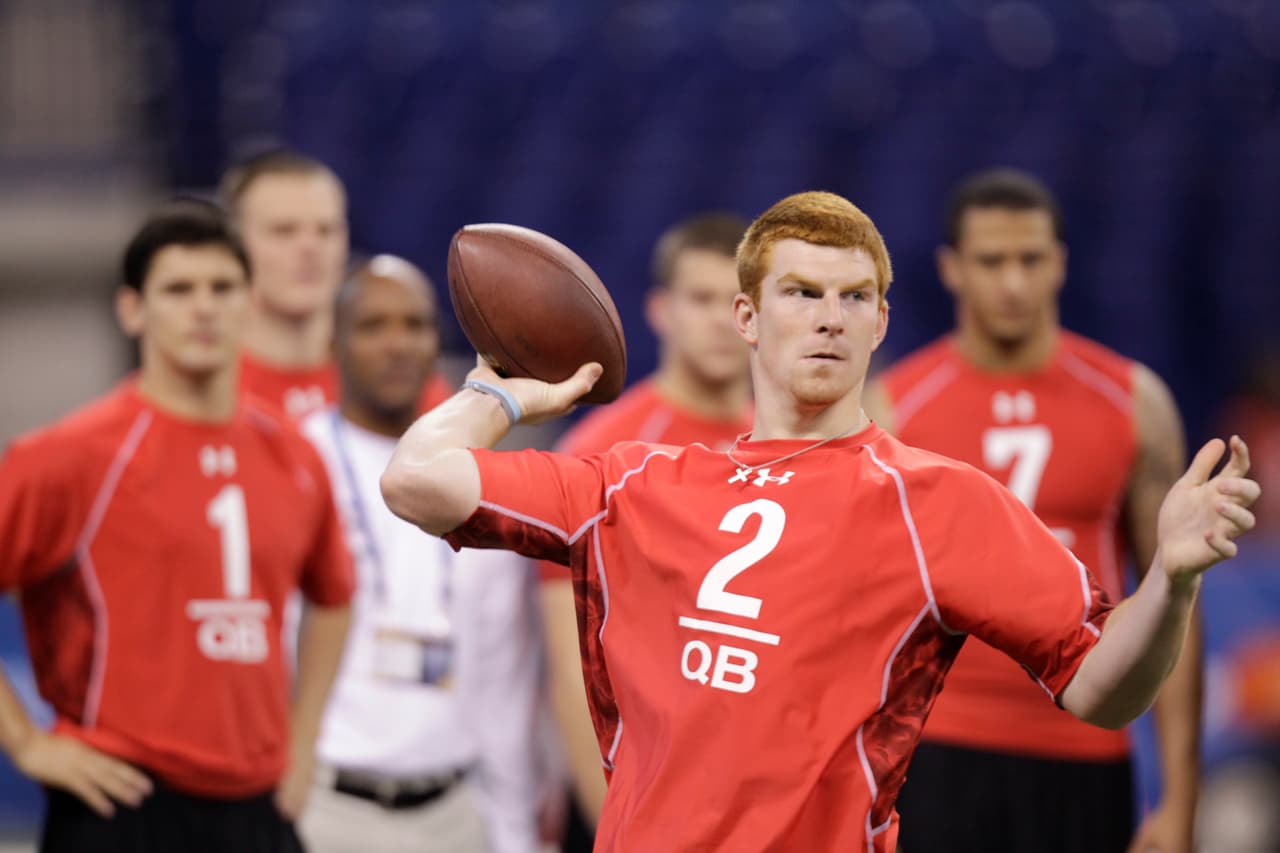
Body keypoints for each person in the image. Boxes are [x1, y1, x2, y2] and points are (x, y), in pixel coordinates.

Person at [379, 190, 1259, 851]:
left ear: (882, 321)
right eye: (801, 292)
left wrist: (1171, 580)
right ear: (748, 319)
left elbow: (1107, 689)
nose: (829, 318)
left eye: (853, 297)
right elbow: (415, 478)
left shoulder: (938, 502)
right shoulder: (635, 482)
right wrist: (502, 392)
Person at [863, 168, 1203, 853]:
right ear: (951, 269)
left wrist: (1180, 797)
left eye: (1031, 259)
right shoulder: (894, 410)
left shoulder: (1135, 403)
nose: (1013, 282)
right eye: (992, 261)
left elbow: (1172, 596)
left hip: (1086, 747)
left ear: (1061, 263)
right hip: (939, 750)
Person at [0, 201, 354, 852]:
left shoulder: (295, 457)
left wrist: (303, 743)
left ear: (250, 302)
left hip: (259, 805)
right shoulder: (72, 456)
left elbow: (334, 594)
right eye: (178, 289)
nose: (204, 308)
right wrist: (26, 742)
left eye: (222, 288)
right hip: (122, 801)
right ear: (132, 310)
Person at [297, 255, 542, 852]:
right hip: (324, 804)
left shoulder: (479, 474)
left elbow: (503, 673)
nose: (398, 344)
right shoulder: (294, 460)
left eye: (414, 325)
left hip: (455, 811)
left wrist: (515, 832)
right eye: (374, 325)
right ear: (334, 340)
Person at [537, 212, 752, 837]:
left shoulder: (790, 446)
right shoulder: (606, 452)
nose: (720, 320)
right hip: (640, 797)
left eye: (736, 301)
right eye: (701, 298)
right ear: (661, 310)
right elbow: (571, 663)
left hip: (754, 793)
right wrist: (609, 820)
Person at [219, 149, 450, 420]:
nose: (310, 248)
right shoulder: (203, 385)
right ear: (231, 246)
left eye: (326, 230)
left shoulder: (402, 381)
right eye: (284, 230)